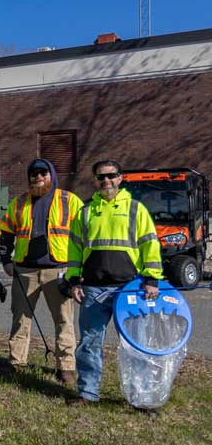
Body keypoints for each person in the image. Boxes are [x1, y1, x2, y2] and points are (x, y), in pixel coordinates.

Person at [65, 160, 163, 410]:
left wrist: (152, 279)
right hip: (93, 289)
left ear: (120, 178)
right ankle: (88, 393)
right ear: (95, 180)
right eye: (101, 177)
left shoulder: (136, 209)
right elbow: (74, 250)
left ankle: (141, 398)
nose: (106, 181)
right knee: (89, 342)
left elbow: (150, 244)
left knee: (135, 345)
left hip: (130, 289)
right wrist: (74, 280)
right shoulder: (85, 212)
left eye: (111, 176)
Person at [0, 159, 83, 385]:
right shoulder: (19, 203)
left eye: (43, 173)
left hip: (58, 270)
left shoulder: (69, 200)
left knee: (64, 320)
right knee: (20, 319)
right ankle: (16, 362)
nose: (38, 177)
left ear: (51, 175)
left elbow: (82, 237)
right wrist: (5, 261)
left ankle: (66, 367)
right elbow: (5, 234)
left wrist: (78, 270)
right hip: (25, 271)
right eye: (33, 174)